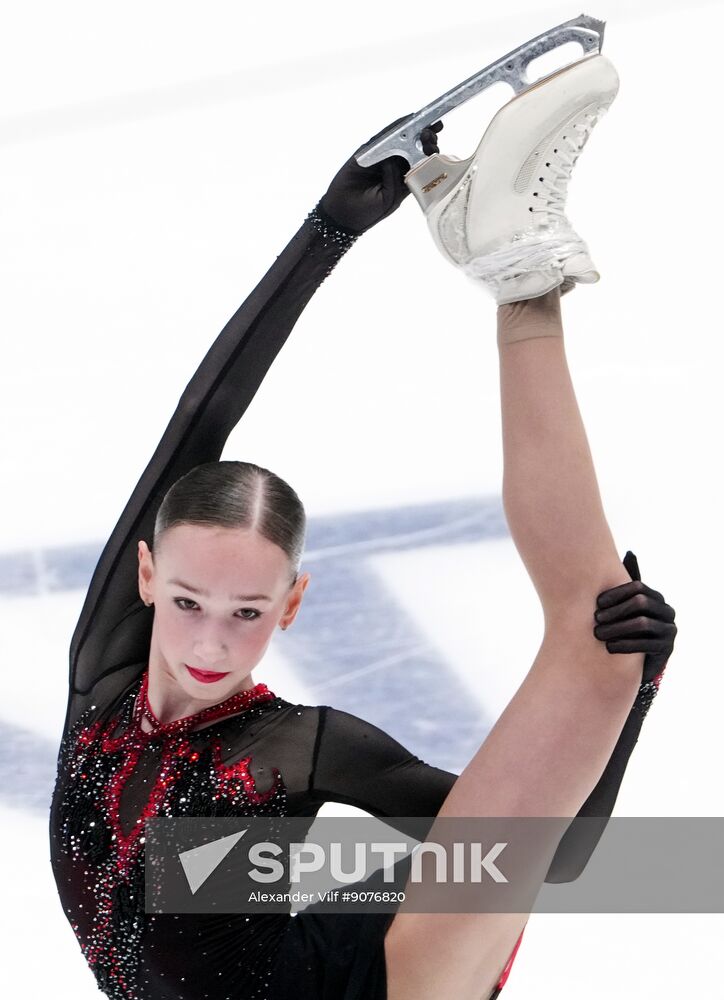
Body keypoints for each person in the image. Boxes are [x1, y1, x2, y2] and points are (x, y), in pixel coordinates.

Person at [50, 54, 676, 1000]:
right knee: (223, 876)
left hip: (366, 981)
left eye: (249, 611)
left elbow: (554, 859)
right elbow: (199, 421)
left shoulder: (305, 746)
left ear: (293, 604)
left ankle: (522, 275)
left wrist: (632, 690)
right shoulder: (105, 674)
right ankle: (508, 258)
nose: (213, 639)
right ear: (146, 576)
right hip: (250, 900)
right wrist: (327, 230)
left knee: (594, 645)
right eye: (187, 601)